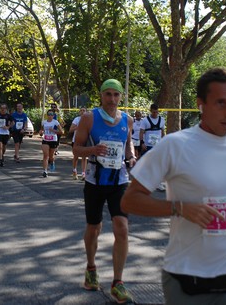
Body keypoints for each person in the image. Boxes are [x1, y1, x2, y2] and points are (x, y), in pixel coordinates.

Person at [121, 68, 226, 305]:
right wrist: (180, 208)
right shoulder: (175, 145)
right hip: (187, 276)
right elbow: (130, 200)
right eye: (220, 103)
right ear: (201, 104)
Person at [72, 79, 136, 303]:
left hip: (119, 180)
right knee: (94, 227)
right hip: (95, 181)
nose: (112, 99)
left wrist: (132, 157)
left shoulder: (127, 120)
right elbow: (76, 149)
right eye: (108, 94)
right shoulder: (89, 118)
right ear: (101, 96)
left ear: (121, 97)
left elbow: (128, 145)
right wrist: (93, 149)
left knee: (122, 227)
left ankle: (118, 282)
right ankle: (91, 268)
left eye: (116, 95)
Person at [139, 103, 166, 191]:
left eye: (157, 112)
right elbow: (141, 132)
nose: (155, 114)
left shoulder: (161, 120)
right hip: (148, 146)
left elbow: (162, 132)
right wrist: (142, 142)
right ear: (151, 111)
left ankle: (158, 183)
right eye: (154, 112)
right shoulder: (145, 120)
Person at [39, 110, 62, 177]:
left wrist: (54, 130)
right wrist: (41, 133)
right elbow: (41, 131)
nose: (50, 116)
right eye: (49, 114)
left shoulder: (55, 122)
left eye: (51, 114)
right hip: (45, 139)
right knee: (45, 155)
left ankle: (52, 162)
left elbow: (61, 132)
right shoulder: (44, 122)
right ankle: (45, 171)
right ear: (47, 115)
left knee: (51, 156)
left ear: (53, 115)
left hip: (53, 140)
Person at [69, 107, 88, 180]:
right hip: (76, 140)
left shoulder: (88, 120)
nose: (82, 112)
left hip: (85, 140)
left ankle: (83, 173)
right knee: (76, 157)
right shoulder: (76, 119)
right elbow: (70, 130)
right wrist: (77, 127)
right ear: (79, 112)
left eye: (84, 110)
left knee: (84, 157)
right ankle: (74, 171)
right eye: (81, 110)